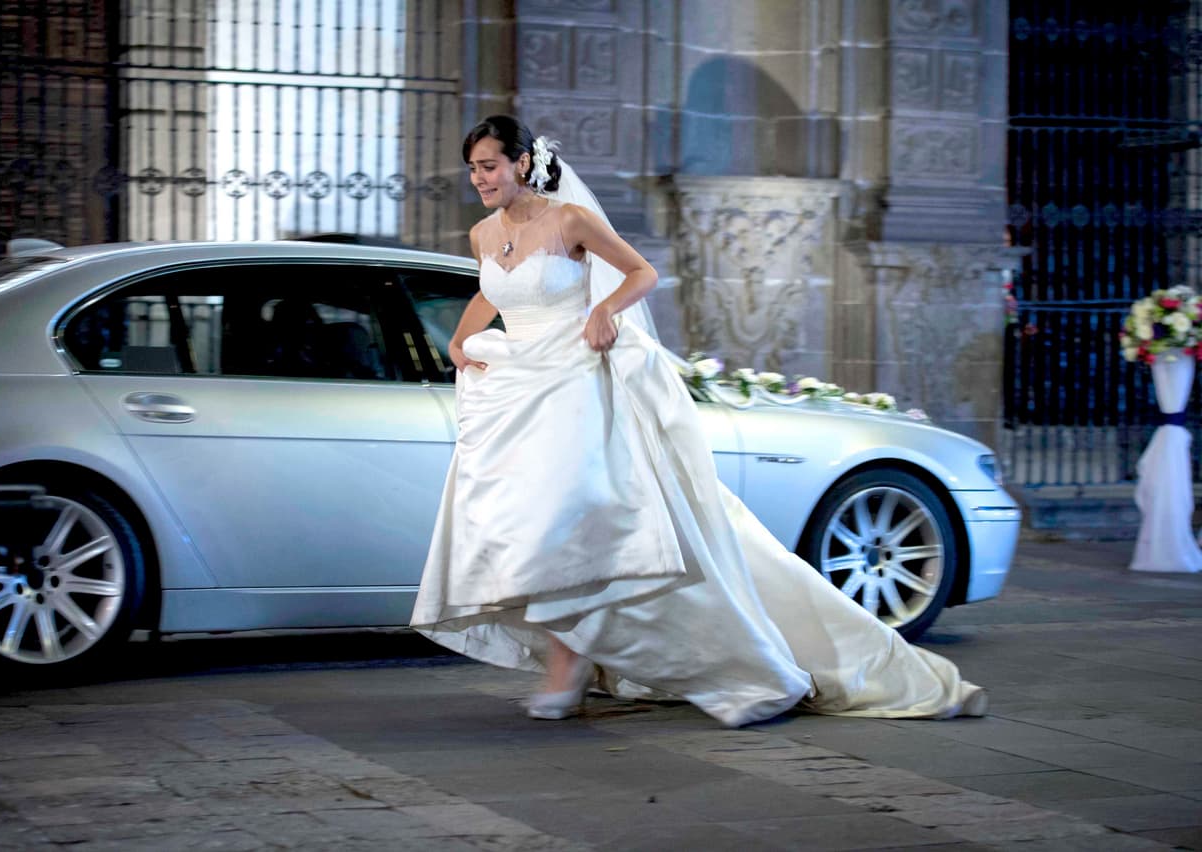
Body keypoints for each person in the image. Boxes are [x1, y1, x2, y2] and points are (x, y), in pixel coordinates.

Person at [410, 115, 987, 726]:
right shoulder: (481, 233)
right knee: (527, 528)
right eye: (473, 168)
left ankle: (572, 660)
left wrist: (605, 309)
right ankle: (576, 653)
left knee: (566, 523)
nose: (480, 179)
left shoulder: (568, 220)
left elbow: (642, 273)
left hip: (575, 383)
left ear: (522, 163)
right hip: (520, 390)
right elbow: (491, 291)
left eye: (490, 166)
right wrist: (459, 342)